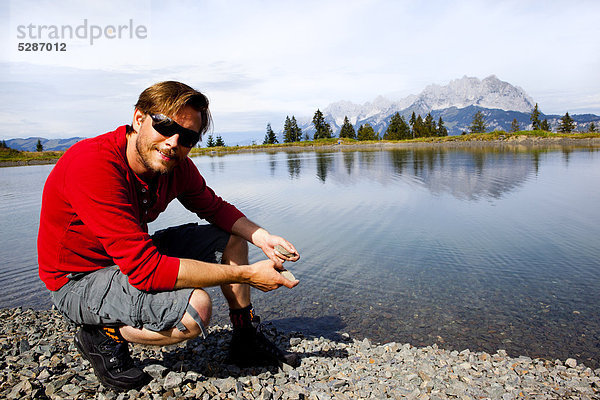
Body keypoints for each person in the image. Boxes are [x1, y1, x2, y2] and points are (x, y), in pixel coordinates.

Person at [37, 81, 300, 390]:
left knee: (233, 238)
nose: (174, 142)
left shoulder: (177, 166)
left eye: (188, 137)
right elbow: (146, 271)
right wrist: (247, 274)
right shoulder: (94, 164)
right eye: (164, 125)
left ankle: (245, 337)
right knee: (196, 311)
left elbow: (214, 207)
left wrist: (263, 237)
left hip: (130, 253)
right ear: (138, 119)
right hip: (78, 278)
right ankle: (100, 333)